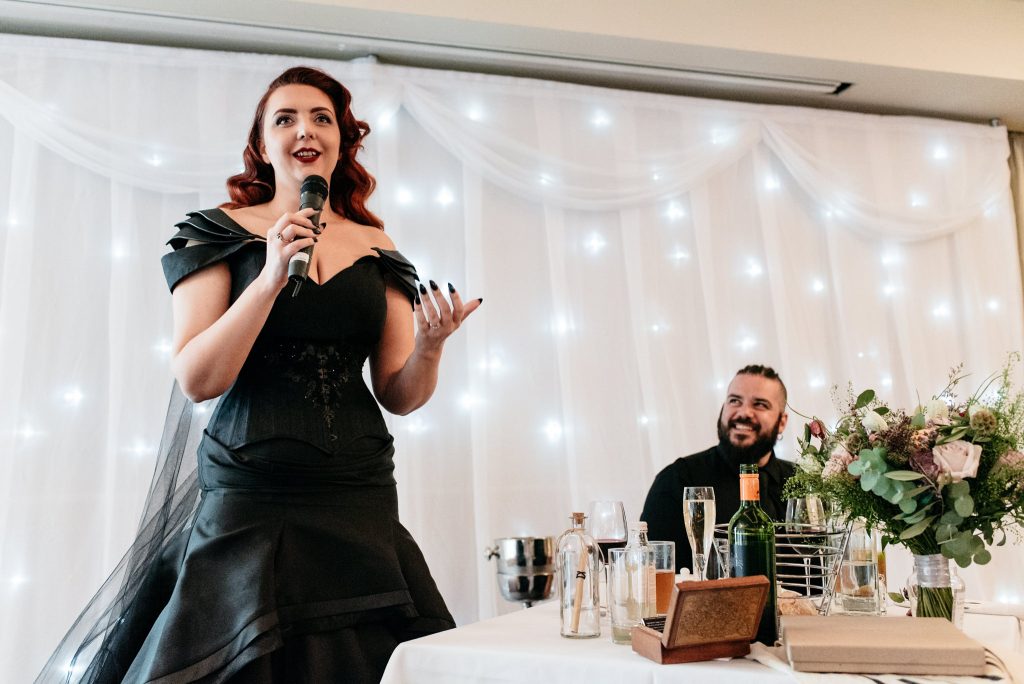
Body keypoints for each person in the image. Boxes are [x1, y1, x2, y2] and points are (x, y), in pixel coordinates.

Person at [39, 66, 480, 683]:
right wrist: (272, 276)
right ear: (262, 145)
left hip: (357, 499)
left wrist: (429, 348)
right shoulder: (217, 235)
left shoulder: (379, 249)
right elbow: (198, 378)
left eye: (322, 118)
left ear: (341, 141)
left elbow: (398, 395)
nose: (306, 129)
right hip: (252, 497)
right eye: (286, 118)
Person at [640, 365, 794, 574]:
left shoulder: (802, 482)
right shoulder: (679, 479)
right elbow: (653, 574)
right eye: (734, 401)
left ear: (782, 421)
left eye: (760, 404)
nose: (744, 412)